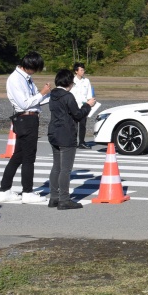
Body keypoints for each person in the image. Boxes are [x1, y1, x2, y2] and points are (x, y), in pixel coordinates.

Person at [0, 52, 52, 203]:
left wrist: (49, 95)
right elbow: (24, 103)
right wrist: (42, 93)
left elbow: (35, 101)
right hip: (25, 118)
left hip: (28, 118)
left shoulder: (26, 78)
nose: (36, 71)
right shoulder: (15, 79)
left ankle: (4, 190)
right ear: (30, 66)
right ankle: (27, 192)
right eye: (36, 68)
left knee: (18, 156)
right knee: (29, 157)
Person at [47, 69, 95, 210]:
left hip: (53, 132)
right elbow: (78, 115)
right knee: (66, 169)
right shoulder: (68, 96)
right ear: (69, 82)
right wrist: (88, 105)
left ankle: (54, 197)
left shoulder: (53, 95)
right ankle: (64, 199)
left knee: (56, 166)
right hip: (66, 134)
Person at [71, 62, 93, 149]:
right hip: (74, 105)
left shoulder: (86, 81)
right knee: (74, 125)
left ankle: (82, 142)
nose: (83, 71)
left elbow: (89, 93)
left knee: (83, 125)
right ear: (76, 71)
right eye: (81, 70)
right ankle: (73, 142)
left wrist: (90, 103)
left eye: (83, 70)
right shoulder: (71, 80)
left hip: (84, 105)